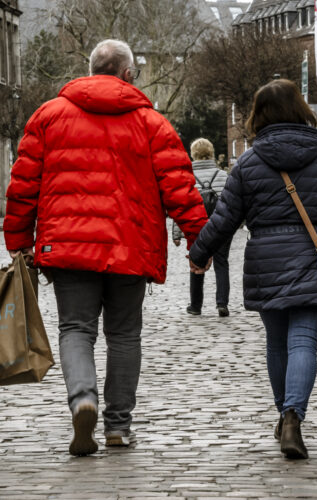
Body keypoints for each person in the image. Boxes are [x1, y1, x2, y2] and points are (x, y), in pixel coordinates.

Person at [3, 39, 208, 456]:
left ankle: (83, 399)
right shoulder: (152, 123)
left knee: (75, 329)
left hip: (67, 248)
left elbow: (22, 186)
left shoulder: (48, 116)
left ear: (91, 70)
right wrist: (198, 242)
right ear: (129, 74)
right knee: (124, 335)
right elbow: (180, 188)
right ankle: (118, 426)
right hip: (130, 247)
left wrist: (19, 242)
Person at [188, 79, 317, 459]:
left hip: (267, 258)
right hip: (315, 257)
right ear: (300, 108)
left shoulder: (249, 162)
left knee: (277, 343)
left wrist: (200, 254)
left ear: (259, 115)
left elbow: (224, 219)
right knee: (304, 343)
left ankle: (286, 415)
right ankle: (293, 415)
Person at [173, 138, 232, 316]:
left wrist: (177, 233)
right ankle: (222, 303)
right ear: (211, 153)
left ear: (193, 154)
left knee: (196, 262)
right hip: (220, 226)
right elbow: (231, 203)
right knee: (222, 263)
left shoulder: (187, 176)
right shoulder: (222, 176)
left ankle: (196, 306)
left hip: (197, 227)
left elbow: (181, 205)